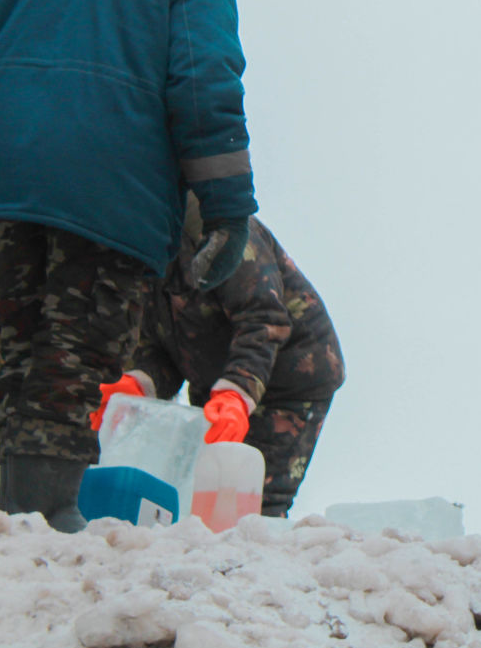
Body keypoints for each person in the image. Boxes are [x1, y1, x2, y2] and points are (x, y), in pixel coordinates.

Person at [0, 0, 255, 530]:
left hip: (3, 179)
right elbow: (205, 95)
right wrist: (227, 212)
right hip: (108, 191)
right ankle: (46, 512)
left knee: (25, 336)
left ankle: (18, 513)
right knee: (75, 347)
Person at [93, 196, 344, 518]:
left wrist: (237, 393)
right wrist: (138, 383)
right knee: (200, 493)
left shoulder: (225, 233)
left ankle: (253, 562)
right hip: (217, 380)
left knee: (253, 499)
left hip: (291, 377)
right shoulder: (137, 260)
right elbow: (164, 348)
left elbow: (262, 319)